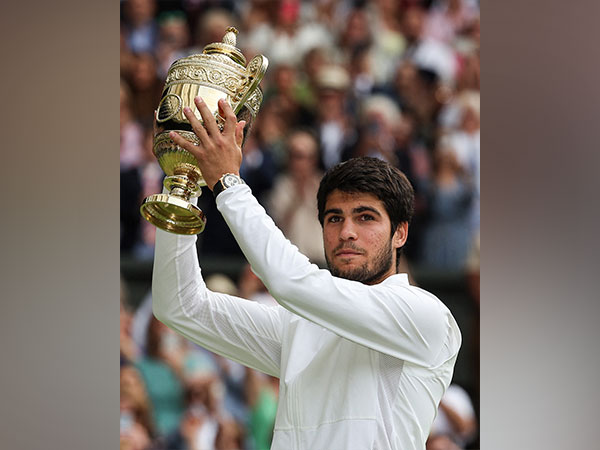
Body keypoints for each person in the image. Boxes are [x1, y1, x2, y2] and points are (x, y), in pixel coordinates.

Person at [152, 96, 461, 449]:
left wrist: (227, 182)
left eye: (366, 217)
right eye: (334, 218)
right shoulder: (299, 326)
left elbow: (289, 282)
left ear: (400, 233)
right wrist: (182, 184)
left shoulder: (426, 315)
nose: (346, 231)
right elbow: (179, 305)